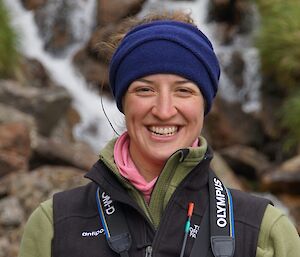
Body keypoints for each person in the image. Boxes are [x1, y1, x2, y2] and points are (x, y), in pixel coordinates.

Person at [18, 11, 300, 257]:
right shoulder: (53, 224)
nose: (164, 111)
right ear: (123, 102)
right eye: (144, 89)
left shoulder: (265, 231)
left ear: (204, 104)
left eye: (184, 90)